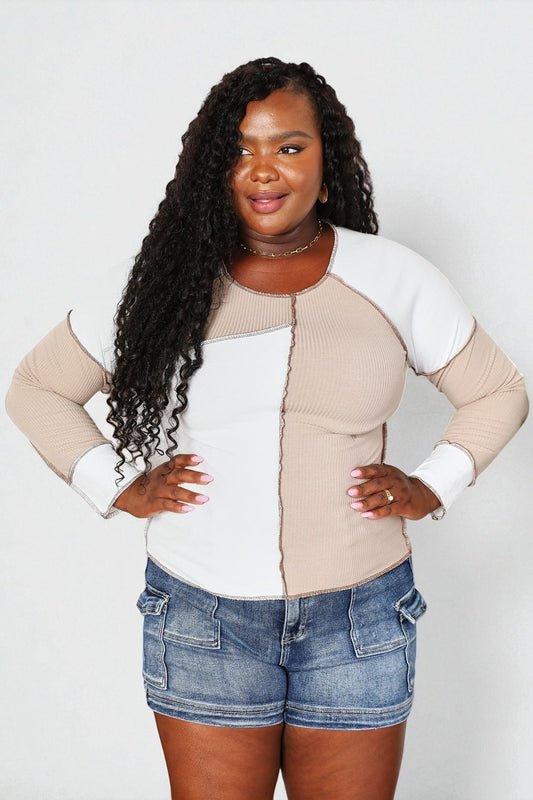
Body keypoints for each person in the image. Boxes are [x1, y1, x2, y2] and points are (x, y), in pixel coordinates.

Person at [5, 57, 528, 800]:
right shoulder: (163, 280)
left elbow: (498, 390)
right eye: (240, 149)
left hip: (360, 612)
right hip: (202, 611)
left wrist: (430, 485)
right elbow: (36, 388)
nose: (262, 170)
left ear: (326, 161)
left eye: (288, 146)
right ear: (213, 169)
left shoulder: (392, 277)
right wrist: (116, 484)